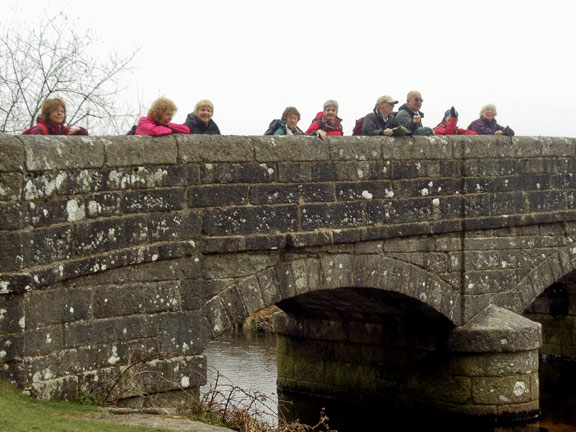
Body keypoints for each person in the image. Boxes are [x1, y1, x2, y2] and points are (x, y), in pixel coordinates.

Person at [23, 98, 88, 135]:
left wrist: (79, 130)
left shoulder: (63, 130)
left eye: (62, 111)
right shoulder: (39, 130)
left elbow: (85, 135)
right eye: (56, 110)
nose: (59, 113)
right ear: (47, 113)